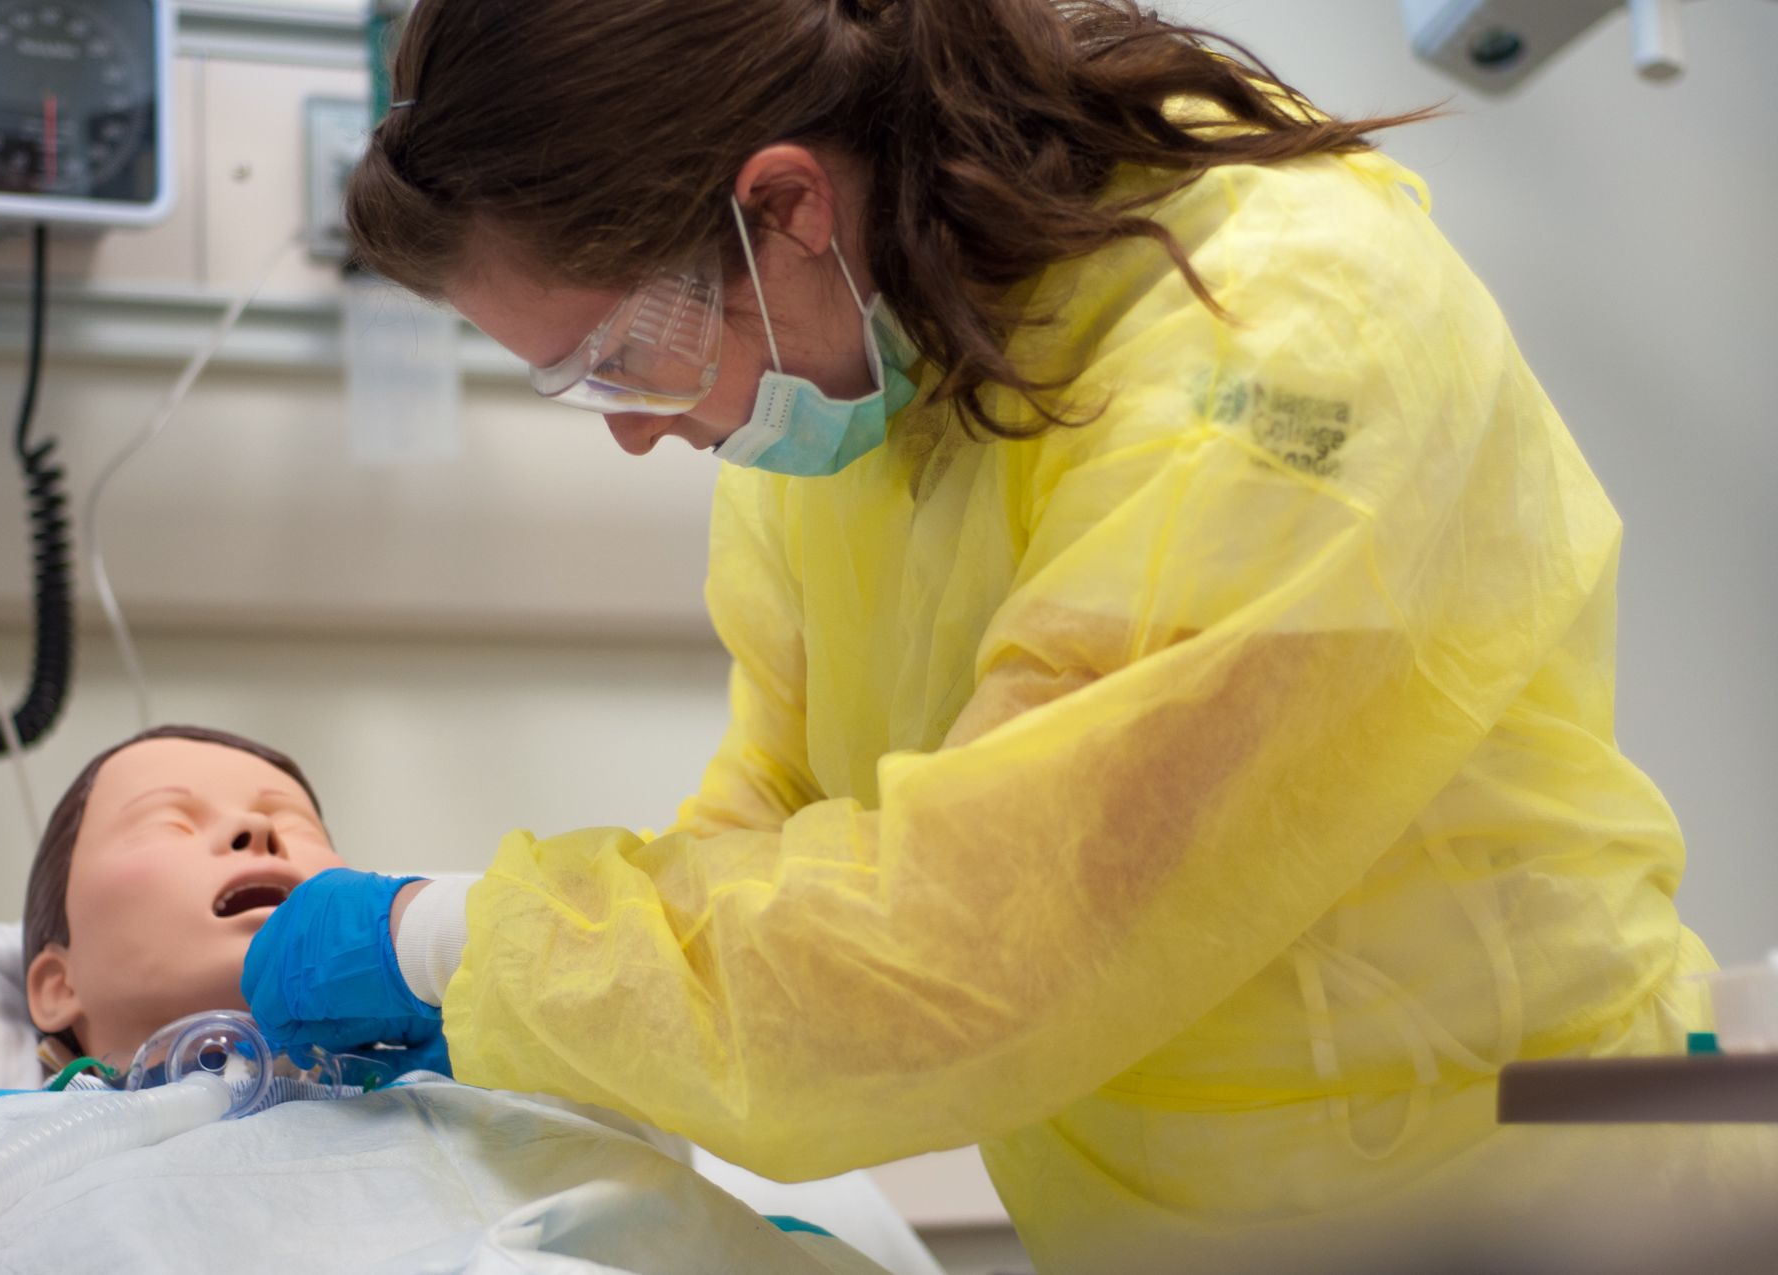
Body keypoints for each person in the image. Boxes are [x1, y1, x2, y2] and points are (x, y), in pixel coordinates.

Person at [240, 1, 1776, 1268]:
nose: (636, 432)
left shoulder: (1284, 346)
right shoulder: (857, 401)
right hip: (1166, 1222)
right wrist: (515, 1000)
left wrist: (449, 938)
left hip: (1547, 1200)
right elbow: (772, 836)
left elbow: (976, 939)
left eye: (622, 355)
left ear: (785, 205)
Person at [21, 724, 445, 1076]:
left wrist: (442, 943)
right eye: (169, 822)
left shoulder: (466, 1096)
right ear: (58, 986)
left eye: (297, 825)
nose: (256, 826)